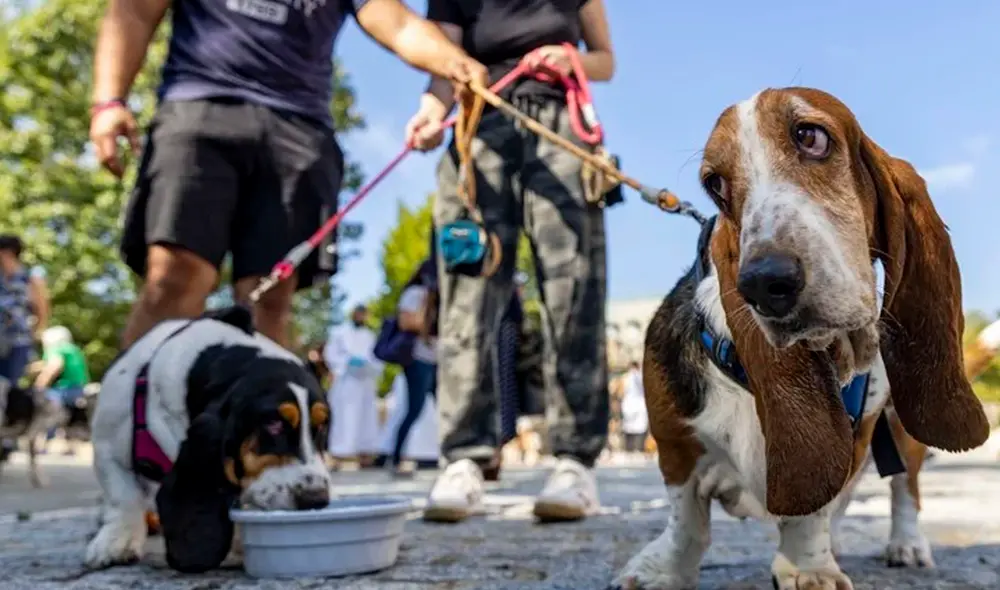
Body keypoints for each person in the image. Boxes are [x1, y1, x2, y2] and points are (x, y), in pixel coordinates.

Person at [90, 0, 488, 350]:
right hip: (198, 110)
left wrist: (454, 61)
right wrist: (109, 101)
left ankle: (259, 431)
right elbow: (133, 10)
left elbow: (399, 24)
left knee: (270, 300)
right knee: (174, 279)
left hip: (299, 132)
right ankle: (136, 425)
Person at [405, 0, 615, 523]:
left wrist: (573, 61)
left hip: (560, 128)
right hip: (480, 122)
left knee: (574, 288)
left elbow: (605, 60)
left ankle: (573, 460)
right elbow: (442, 55)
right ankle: (464, 460)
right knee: (466, 292)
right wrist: (432, 111)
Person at [387, 259, 439, 477]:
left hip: (438, 358)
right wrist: (431, 320)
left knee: (446, 408)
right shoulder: (415, 293)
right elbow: (405, 322)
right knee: (414, 409)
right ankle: (396, 456)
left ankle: (447, 454)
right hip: (418, 359)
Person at [0, 235, 50, 457]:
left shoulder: (30, 278)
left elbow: (42, 310)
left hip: (18, 342)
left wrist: (34, 335)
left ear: (8, 252)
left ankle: (6, 440)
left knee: (10, 388)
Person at [324, 304, 382, 466]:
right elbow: (331, 354)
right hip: (346, 381)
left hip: (365, 382)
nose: (360, 317)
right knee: (343, 417)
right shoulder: (339, 332)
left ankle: (365, 454)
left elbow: (377, 358)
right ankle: (337, 455)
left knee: (366, 419)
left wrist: (368, 366)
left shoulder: (370, 335)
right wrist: (346, 363)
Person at [33, 326, 91, 455]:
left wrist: (40, 384)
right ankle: (71, 445)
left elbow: (55, 365)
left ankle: (44, 443)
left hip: (63, 389)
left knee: (48, 413)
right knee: (70, 416)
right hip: (78, 389)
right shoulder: (73, 349)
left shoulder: (56, 348)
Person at [620, 361, 648, 455]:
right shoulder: (642, 377)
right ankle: (639, 449)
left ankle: (629, 449)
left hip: (630, 404)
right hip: (639, 404)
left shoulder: (625, 377)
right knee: (638, 428)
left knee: (630, 428)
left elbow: (620, 391)